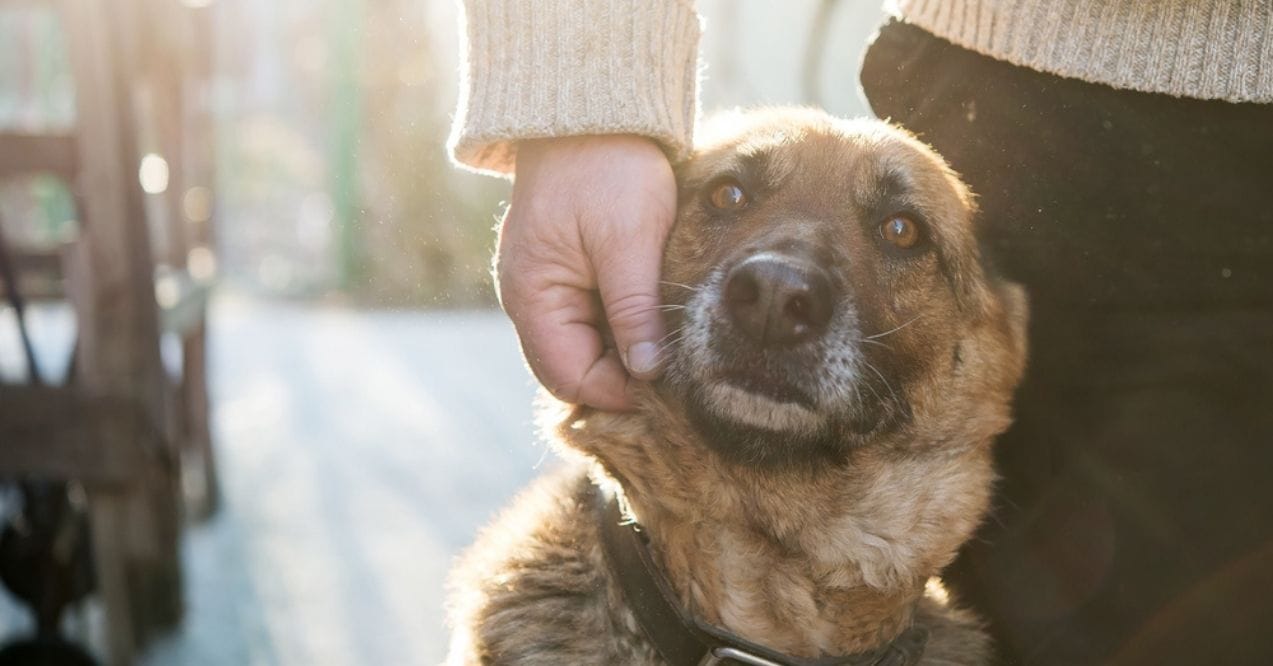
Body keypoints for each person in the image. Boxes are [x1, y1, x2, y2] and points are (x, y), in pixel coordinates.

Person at [448, 1, 1273, 663]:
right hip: (1018, 97)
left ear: (992, 344)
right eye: (730, 199)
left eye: (899, 234)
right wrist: (584, 103)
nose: (779, 283)